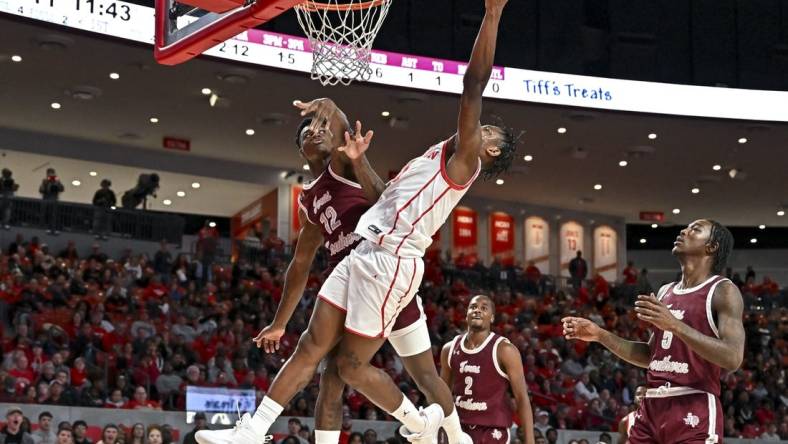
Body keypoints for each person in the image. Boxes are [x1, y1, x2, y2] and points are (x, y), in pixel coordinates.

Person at [198, 0, 516, 442]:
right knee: (313, 349)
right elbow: (380, 201)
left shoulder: (464, 162)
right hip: (365, 253)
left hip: (392, 263)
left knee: (347, 368)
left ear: (491, 151)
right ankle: (252, 431)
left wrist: (492, 14)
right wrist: (354, 148)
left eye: (488, 133)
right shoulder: (431, 157)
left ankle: (424, 424)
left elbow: (473, 84)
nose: (478, 129)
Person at [563, 220, 745, 444]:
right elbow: (651, 356)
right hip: (651, 406)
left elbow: (733, 357)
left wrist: (674, 325)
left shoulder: (723, 291)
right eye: (686, 228)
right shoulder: (665, 291)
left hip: (693, 404)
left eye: (695, 230)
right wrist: (600, 335)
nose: (684, 231)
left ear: (712, 246)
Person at [440, 295, 534, 444]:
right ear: (466, 315)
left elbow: (522, 398)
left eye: (484, 308)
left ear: (492, 318)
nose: (477, 310)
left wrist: (530, 442)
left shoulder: (505, 350)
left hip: (492, 430)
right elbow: (442, 396)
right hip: (458, 429)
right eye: (473, 307)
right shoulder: (449, 349)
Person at [39, 168, 64, 234]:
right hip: (46, 199)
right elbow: (41, 190)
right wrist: (45, 183)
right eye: (49, 174)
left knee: (54, 215)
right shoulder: (44, 181)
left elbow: (61, 189)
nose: (50, 176)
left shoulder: (57, 181)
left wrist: (57, 183)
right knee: (45, 214)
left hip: (54, 200)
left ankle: (53, 227)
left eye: (52, 174)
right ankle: (44, 226)